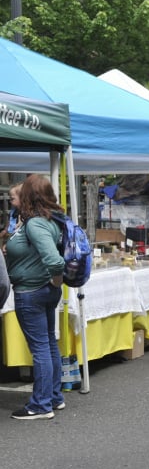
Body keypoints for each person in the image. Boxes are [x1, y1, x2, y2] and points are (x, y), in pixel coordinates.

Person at [6, 175, 64, 419]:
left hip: (32, 292)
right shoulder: (48, 220)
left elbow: (54, 260)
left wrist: (54, 279)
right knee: (48, 344)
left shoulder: (36, 224)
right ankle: (53, 397)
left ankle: (41, 405)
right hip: (43, 291)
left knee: (41, 348)